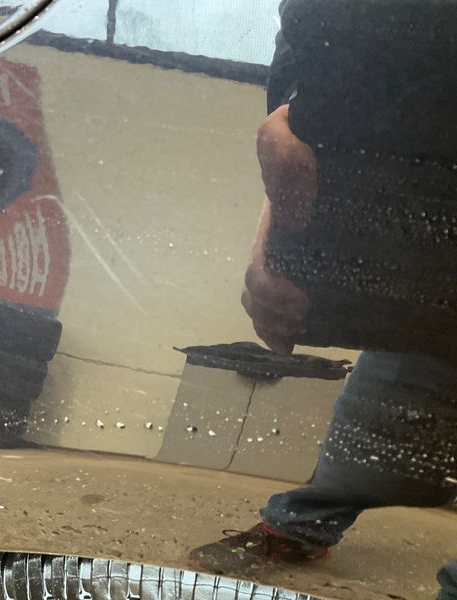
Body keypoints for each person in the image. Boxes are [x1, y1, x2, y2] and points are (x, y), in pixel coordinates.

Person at [188, 1, 457, 597]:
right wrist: (273, 251)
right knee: (385, 411)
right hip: (424, 257)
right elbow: (293, 129)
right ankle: (299, 523)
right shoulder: (338, 23)